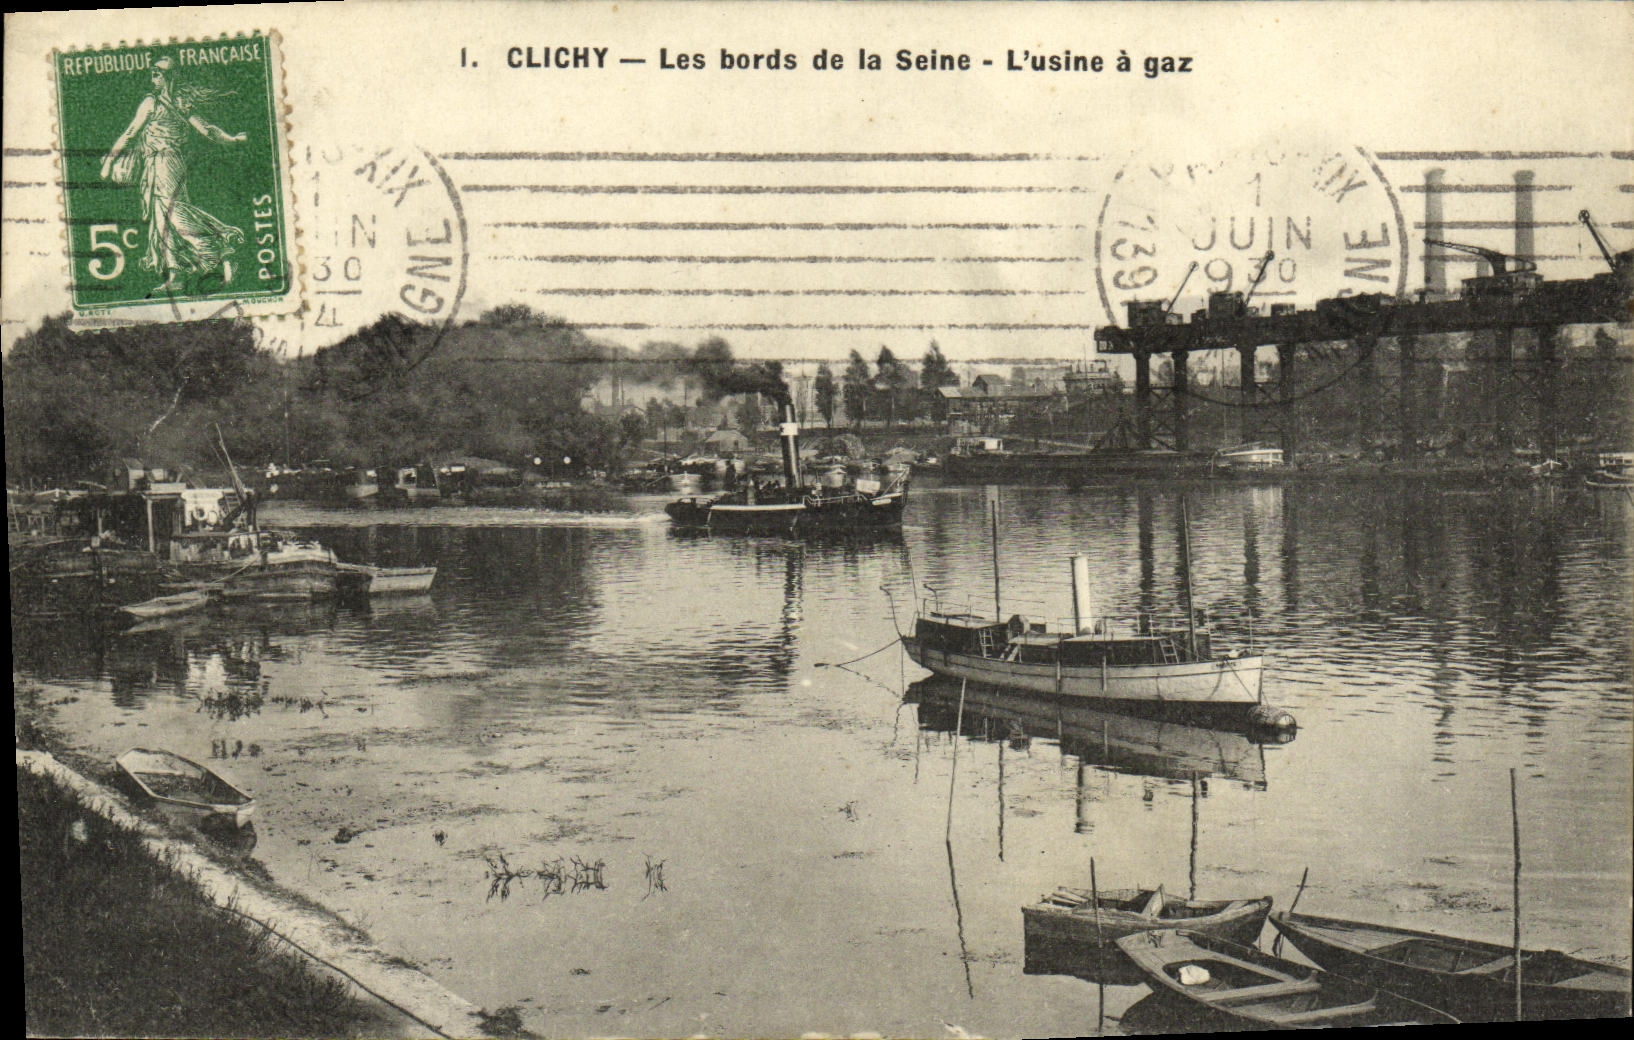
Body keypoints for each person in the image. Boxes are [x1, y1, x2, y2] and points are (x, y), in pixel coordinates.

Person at [99, 56, 247, 293]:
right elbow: (207, 130)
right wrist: (232, 139)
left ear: (169, 76)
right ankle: (176, 274)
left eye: (158, 73)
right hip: (160, 163)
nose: (154, 76)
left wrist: (108, 161)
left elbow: (130, 133)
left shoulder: (158, 102)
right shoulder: (177, 103)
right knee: (162, 220)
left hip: (164, 162)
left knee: (173, 212)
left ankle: (219, 248)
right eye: (153, 72)